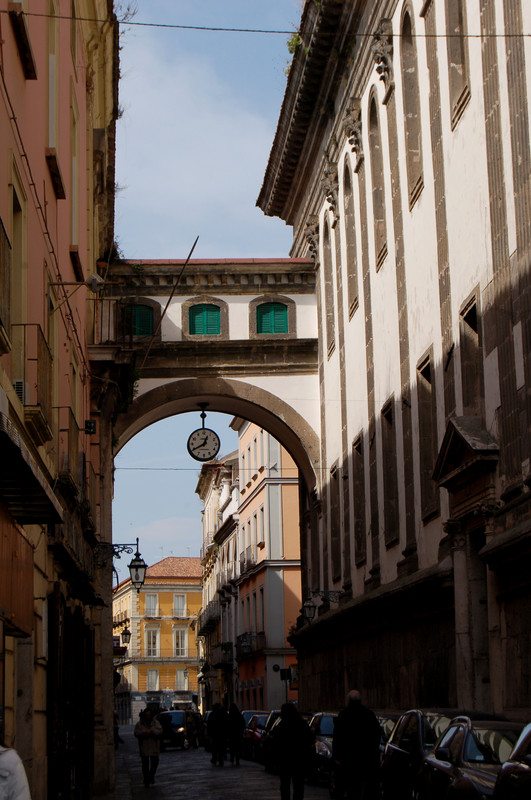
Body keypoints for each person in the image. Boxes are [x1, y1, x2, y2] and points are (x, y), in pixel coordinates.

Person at [332, 690, 381, 800]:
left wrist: (337, 756)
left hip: (348, 760)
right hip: (365, 760)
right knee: (363, 788)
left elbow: (337, 737)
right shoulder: (369, 715)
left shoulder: (344, 715)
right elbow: (376, 735)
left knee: (350, 789)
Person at [272, 703, 314, 800]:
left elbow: (276, 743)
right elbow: (310, 739)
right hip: (299, 760)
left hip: (285, 761)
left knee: (285, 786)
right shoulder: (302, 724)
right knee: (298, 786)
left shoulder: (281, 726)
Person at [134, 708, 163, 788]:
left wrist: (151, 732)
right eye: (146, 715)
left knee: (155, 763)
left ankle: (151, 776)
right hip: (144, 747)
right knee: (145, 765)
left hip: (154, 747)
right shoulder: (140, 724)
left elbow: (160, 731)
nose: (148, 716)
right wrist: (144, 733)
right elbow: (136, 733)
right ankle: (146, 780)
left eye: (149, 715)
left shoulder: (155, 723)